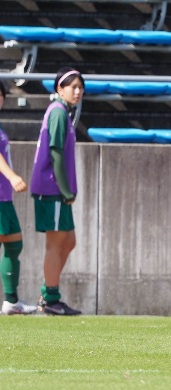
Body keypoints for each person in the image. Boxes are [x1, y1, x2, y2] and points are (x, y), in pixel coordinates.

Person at [31, 67, 85, 316]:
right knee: (55, 244)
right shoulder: (58, 113)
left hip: (58, 191)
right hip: (52, 189)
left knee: (69, 241)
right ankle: (50, 299)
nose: (77, 91)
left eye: (80, 86)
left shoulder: (63, 112)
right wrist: (66, 190)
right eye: (72, 86)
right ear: (59, 89)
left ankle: (47, 292)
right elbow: (55, 153)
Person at [0, 83, 37, 315]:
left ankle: (12, 301)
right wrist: (12, 176)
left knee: (14, 243)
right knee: (12, 243)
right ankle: (11, 300)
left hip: (4, 197)